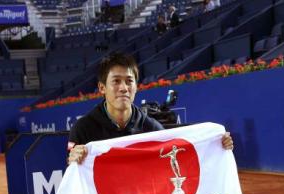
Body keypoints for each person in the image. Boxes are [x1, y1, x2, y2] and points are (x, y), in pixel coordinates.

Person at [67, 53, 233, 165]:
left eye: (129, 81)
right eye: (116, 81)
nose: (124, 88)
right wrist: (73, 159)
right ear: (102, 88)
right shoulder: (82, 129)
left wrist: (215, 144)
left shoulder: (152, 128)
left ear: (136, 87)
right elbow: (72, 167)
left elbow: (176, 157)